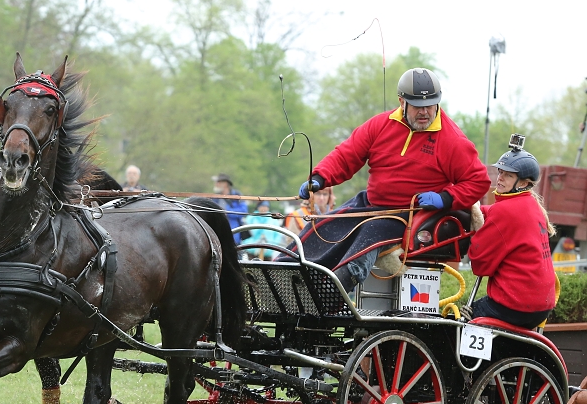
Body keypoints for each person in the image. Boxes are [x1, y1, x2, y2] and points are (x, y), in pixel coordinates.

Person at [289, 67, 490, 290]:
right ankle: (286, 275)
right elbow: (347, 155)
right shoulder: (379, 125)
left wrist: (445, 198)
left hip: (410, 214)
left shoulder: (452, 140)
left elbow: (478, 181)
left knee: (369, 234)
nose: (424, 112)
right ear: (402, 102)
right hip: (370, 204)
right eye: (417, 106)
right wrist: (319, 178)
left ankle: (330, 294)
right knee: (322, 226)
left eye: (430, 105)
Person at [465, 142, 557, 328]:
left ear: (523, 182)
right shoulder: (531, 205)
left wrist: (473, 238)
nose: (500, 178)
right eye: (500, 172)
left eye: (508, 175)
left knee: (462, 321)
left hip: (517, 305)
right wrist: (475, 211)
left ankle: (469, 358)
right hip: (540, 304)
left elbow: (479, 265)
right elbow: (492, 212)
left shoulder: (506, 211)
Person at [211, 173, 249, 244]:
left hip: (234, 232)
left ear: (225, 184)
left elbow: (244, 211)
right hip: (218, 232)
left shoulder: (237, 195)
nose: (216, 184)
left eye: (218, 182)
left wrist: (227, 212)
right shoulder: (215, 197)